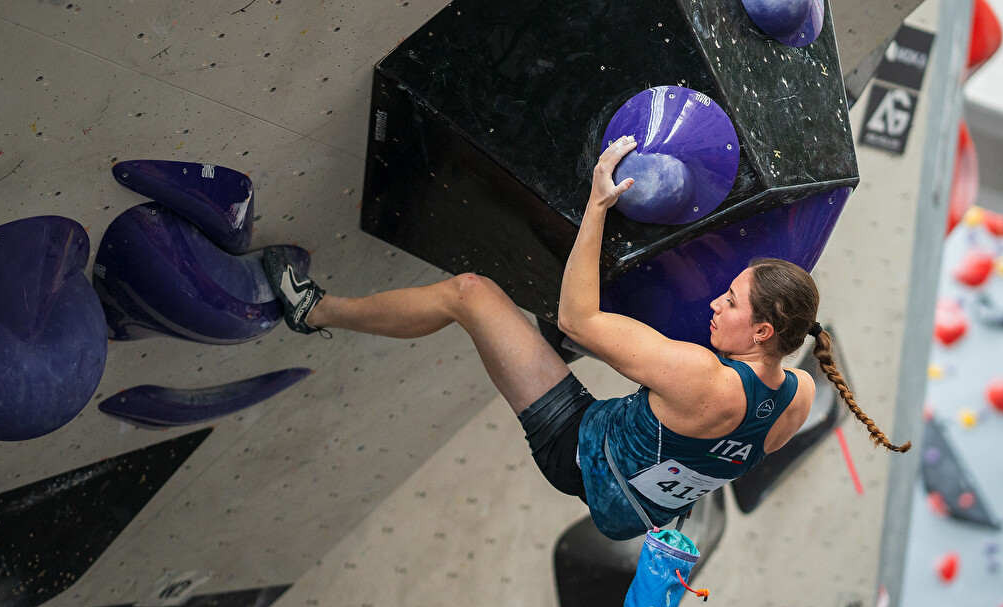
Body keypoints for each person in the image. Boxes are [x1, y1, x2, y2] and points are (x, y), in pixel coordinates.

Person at [263, 135, 909, 540]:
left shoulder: (700, 376)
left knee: (470, 295)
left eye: (731, 301)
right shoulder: (794, 396)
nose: (717, 300)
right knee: (622, 353)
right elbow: (706, 440)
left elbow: (579, 317)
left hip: (576, 449)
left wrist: (598, 204)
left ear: (765, 331)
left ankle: (315, 310)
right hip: (632, 501)